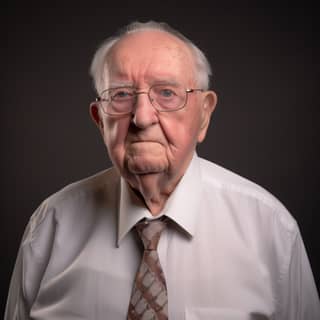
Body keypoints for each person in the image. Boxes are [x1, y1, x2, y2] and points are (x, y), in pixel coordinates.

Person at [5, 20, 320, 320]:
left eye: (167, 93)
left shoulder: (270, 229)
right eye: (121, 95)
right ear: (100, 120)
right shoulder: (50, 227)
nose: (142, 117)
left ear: (204, 115)